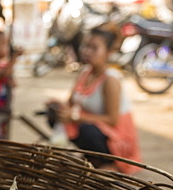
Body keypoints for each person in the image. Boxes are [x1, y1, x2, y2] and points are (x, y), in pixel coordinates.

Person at [48, 22, 141, 173]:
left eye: (94, 48)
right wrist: (58, 106)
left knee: (87, 130)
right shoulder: (86, 72)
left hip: (116, 136)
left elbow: (112, 120)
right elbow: (71, 103)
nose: (86, 51)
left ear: (109, 52)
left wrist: (76, 118)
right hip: (93, 126)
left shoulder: (110, 80)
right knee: (55, 115)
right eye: (85, 46)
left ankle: (110, 162)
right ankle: (92, 158)